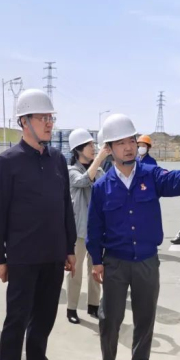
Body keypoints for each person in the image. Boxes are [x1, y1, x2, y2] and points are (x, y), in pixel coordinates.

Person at [87, 114, 180, 360]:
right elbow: (94, 228)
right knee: (110, 320)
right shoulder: (101, 187)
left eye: (131, 141)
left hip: (146, 260)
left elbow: (172, 180)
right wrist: (96, 261)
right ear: (109, 149)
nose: (129, 147)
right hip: (115, 262)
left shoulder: (150, 174)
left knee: (145, 318)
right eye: (121, 143)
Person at [0, 88, 77, 360]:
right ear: (24, 122)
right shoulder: (7, 162)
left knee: (44, 319)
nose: (49, 123)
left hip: (53, 255)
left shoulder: (57, 160)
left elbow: (65, 206)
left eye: (51, 118)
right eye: (43, 118)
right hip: (23, 258)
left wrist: (69, 247)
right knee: (16, 322)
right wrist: (0, 258)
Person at [66, 128, 108, 325]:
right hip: (79, 231)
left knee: (96, 268)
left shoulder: (99, 171)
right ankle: (72, 308)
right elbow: (84, 181)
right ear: (78, 149)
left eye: (93, 144)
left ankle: (93, 305)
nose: (93, 148)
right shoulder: (71, 171)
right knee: (75, 271)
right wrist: (100, 159)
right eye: (89, 145)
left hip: (97, 230)